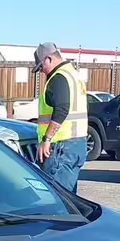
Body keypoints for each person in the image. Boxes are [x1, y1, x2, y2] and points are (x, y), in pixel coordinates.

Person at [33, 42, 90, 193]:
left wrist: (46, 139)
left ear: (49, 59)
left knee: (57, 199)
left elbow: (62, 109)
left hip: (61, 147)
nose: (41, 71)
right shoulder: (73, 75)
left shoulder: (58, 78)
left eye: (41, 66)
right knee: (68, 198)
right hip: (76, 144)